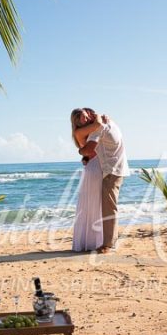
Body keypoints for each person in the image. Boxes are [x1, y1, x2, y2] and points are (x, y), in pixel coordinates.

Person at [71, 108, 129, 253]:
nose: (84, 120)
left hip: (112, 170)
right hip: (115, 168)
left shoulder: (99, 127)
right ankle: (107, 242)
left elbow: (89, 149)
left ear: (91, 115)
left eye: (85, 116)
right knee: (108, 205)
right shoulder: (107, 123)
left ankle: (108, 244)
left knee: (109, 207)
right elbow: (93, 152)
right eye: (80, 119)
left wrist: (81, 152)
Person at [70, 108, 104, 252]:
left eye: (86, 116)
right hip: (94, 168)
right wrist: (100, 116)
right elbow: (98, 124)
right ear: (76, 121)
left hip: (95, 166)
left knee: (95, 204)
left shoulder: (87, 131)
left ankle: (96, 240)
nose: (86, 119)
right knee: (93, 204)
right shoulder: (80, 132)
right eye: (83, 117)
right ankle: (93, 241)